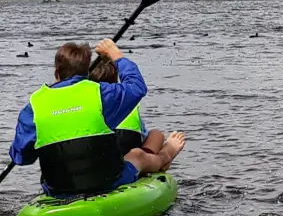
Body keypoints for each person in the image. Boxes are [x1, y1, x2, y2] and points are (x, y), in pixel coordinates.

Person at [8, 39, 185, 198]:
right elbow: (137, 87)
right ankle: (165, 156)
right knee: (138, 156)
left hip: (57, 188)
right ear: (86, 71)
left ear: (56, 72)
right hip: (109, 181)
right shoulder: (101, 94)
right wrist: (116, 54)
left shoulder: (33, 106)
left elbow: (22, 158)